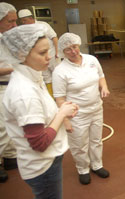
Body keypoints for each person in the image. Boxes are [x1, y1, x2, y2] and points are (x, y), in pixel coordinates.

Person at [1, 24, 79, 198]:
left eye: (48, 51)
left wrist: (62, 110)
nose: (49, 57)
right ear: (21, 54)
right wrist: (61, 114)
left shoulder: (32, 75)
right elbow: (39, 144)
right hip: (43, 166)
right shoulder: (24, 92)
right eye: (42, 53)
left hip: (48, 160)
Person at [52, 32, 110, 185]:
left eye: (75, 47)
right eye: (68, 49)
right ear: (62, 52)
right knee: (79, 144)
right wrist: (65, 121)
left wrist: (104, 87)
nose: (73, 51)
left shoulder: (91, 60)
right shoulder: (60, 71)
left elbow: (101, 75)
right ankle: (83, 169)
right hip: (76, 115)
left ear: (79, 44)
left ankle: (97, 165)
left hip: (96, 108)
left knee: (96, 140)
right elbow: (59, 99)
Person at [18, 8, 59, 97]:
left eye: (25, 20)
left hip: (51, 55)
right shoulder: (25, 30)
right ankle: (52, 97)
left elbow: (54, 38)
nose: (23, 23)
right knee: (47, 78)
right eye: (22, 21)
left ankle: (61, 96)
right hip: (39, 59)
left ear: (31, 18)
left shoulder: (43, 25)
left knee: (57, 75)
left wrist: (57, 51)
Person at [0, 2, 18, 183]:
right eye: (10, 21)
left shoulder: (7, 37)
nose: (14, 25)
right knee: (1, 128)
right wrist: (14, 67)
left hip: (11, 86)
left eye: (15, 21)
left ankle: (11, 158)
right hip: (0, 86)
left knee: (13, 122)